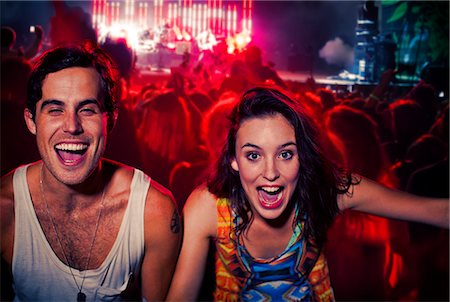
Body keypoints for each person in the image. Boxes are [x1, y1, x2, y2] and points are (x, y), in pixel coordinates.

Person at [166, 87, 448, 301]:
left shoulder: (330, 190)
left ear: (303, 158)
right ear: (234, 161)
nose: (271, 172)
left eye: (285, 154)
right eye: (253, 155)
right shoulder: (208, 206)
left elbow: (435, 211)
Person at [0, 44, 181, 301]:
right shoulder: (6, 209)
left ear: (111, 120)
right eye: (55, 110)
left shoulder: (153, 212)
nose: (72, 126)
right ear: (31, 121)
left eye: (87, 110)